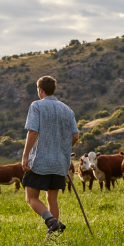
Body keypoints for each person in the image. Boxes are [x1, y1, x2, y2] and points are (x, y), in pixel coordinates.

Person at [22, 76, 79, 237]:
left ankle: (51, 221)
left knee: (31, 198)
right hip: (60, 162)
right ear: (54, 90)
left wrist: (25, 156)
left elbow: (33, 132)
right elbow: (75, 136)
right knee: (51, 198)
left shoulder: (37, 106)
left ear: (40, 90)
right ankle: (53, 237)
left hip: (40, 161)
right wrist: (64, 150)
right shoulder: (67, 110)